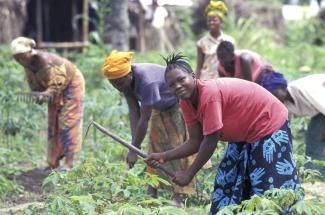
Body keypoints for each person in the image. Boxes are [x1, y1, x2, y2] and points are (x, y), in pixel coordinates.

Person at [145, 53, 300, 214]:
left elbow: (211, 139)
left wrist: (189, 173)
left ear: (193, 76)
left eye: (181, 80)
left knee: (268, 184)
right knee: (228, 179)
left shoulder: (209, 94)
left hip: (268, 122)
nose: (177, 86)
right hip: (245, 133)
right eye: (171, 85)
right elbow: (196, 141)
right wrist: (164, 156)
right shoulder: (185, 102)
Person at [101, 50, 195, 207]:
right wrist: (133, 145)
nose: (117, 87)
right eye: (113, 83)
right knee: (153, 150)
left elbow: (144, 118)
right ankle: (152, 191)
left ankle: (177, 197)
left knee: (175, 150)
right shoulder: (124, 82)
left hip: (177, 106)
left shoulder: (146, 81)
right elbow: (134, 111)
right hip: (159, 108)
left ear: (129, 74)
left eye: (119, 82)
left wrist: (133, 150)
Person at [11, 37, 85, 171]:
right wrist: (37, 95)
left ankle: (69, 163)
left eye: (22, 56)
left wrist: (45, 94)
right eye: (17, 58)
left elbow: (56, 82)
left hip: (71, 83)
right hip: (52, 90)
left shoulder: (43, 60)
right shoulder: (28, 65)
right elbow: (35, 85)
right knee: (53, 122)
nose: (20, 61)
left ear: (29, 53)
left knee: (68, 120)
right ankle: (53, 163)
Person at [261, 72, 325, 173]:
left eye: (274, 94)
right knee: (314, 137)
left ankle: (316, 173)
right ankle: (314, 172)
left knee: (316, 137)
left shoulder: (302, 90)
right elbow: (284, 125)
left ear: (283, 88)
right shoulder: (283, 103)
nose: (274, 98)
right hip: (320, 113)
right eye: (271, 96)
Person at [196, 0, 235, 80]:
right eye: (209, 20)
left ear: (221, 21)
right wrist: (197, 83)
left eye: (214, 20)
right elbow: (199, 66)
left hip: (224, 80)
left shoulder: (229, 40)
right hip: (206, 80)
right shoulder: (201, 43)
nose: (211, 23)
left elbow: (233, 62)